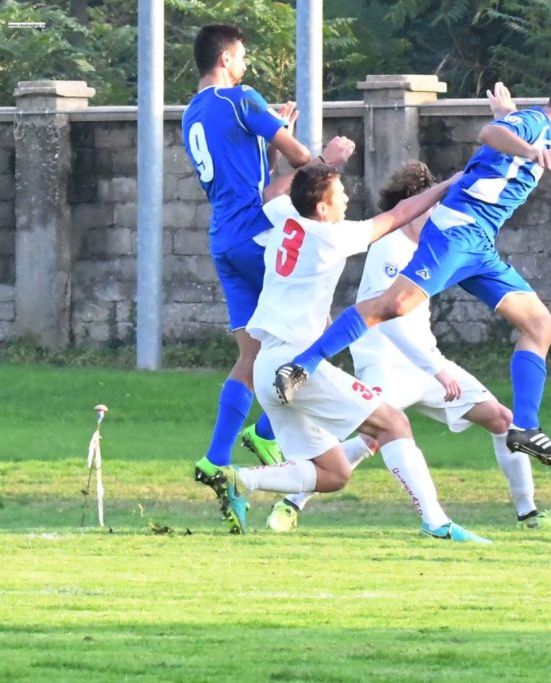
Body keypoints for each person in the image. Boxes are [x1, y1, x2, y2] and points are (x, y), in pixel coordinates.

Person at [272, 67, 551, 468]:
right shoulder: (534, 124)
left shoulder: (528, 125)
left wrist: (505, 119)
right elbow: (488, 136)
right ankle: (301, 365)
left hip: (480, 244)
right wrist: (522, 141)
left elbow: (499, 141)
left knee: (540, 326)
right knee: (392, 306)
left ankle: (525, 428)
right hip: (457, 231)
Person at [265, 161, 551, 533]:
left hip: (427, 364)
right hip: (386, 363)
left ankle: (529, 514)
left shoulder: (437, 245)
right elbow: (386, 317)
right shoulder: (390, 247)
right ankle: (291, 500)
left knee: (502, 419)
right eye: (435, 208)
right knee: (373, 437)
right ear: (418, 206)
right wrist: (435, 369)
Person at [203, 162, 490, 544]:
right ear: (321, 208)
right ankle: (436, 522)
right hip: (297, 364)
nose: (348, 199)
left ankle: (241, 480)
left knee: (334, 472)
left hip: (266, 364)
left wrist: (312, 161)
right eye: (340, 194)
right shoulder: (330, 237)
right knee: (393, 424)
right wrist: (448, 185)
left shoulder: (287, 217)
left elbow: (274, 195)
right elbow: (398, 214)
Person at [180, 24, 352, 530]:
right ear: (229, 57)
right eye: (244, 58)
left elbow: (257, 176)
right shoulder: (241, 98)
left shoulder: (194, 111)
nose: (246, 67)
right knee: (317, 324)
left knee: (253, 355)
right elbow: (303, 168)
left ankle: (216, 459)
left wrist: (270, 135)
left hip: (225, 239)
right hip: (258, 234)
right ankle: (265, 430)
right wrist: (331, 161)